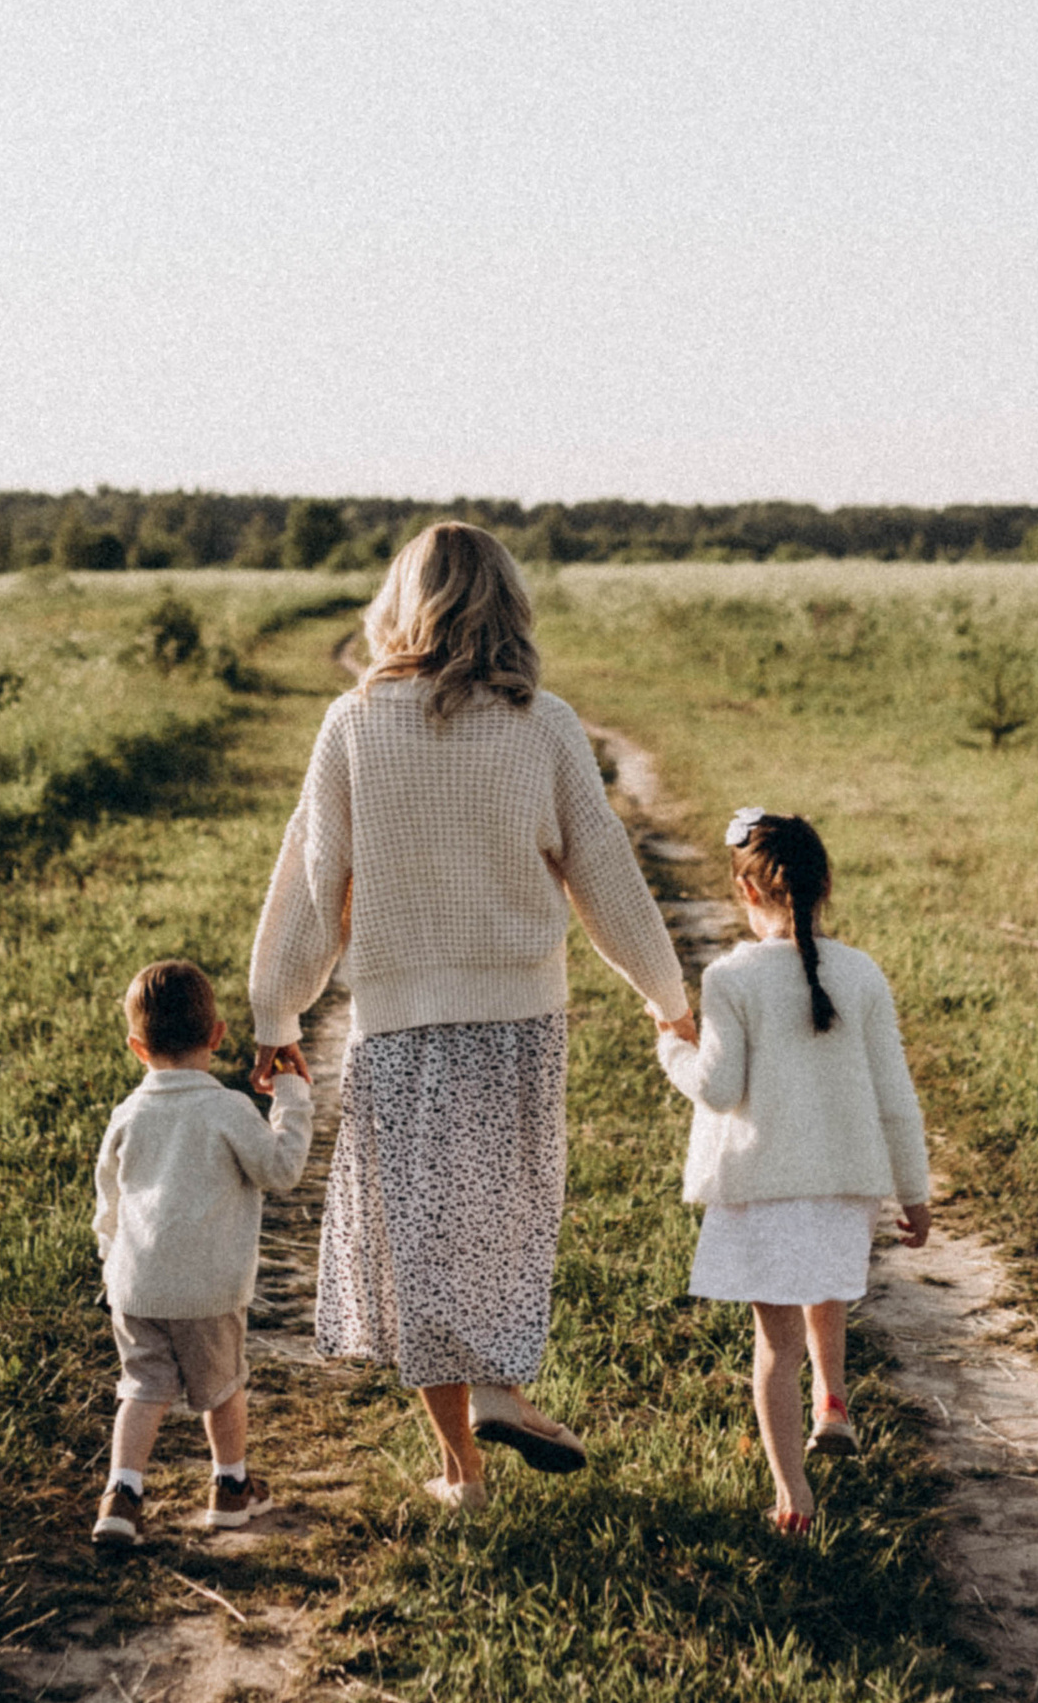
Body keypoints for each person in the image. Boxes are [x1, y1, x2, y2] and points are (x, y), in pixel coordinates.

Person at [249, 521, 694, 1510]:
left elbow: (314, 879)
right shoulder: (543, 725)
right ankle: (497, 1391)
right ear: (508, 608)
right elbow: (605, 872)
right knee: (497, 1227)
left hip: (398, 1025)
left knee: (416, 1245)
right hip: (515, 1024)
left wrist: (277, 1009)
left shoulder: (353, 724)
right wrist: (667, 995)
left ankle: (463, 1468)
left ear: (398, 605)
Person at [657, 808, 932, 1537]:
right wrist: (915, 1193)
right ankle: (832, 1402)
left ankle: (792, 1497)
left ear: (747, 892)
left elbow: (718, 1089)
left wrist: (673, 1046)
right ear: (824, 887)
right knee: (826, 1288)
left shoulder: (731, 977)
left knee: (776, 1347)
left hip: (763, 1187)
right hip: (846, 1188)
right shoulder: (861, 972)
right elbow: (896, 1097)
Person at [91, 957, 313, 1549]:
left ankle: (121, 1496)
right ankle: (230, 1487)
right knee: (221, 1387)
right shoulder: (227, 1110)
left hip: (135, 1286)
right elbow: (281, 1170)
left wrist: (112, 1264)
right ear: (217, 1036)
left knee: (141, 1387)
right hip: (208, 1289)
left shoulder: (127, 1115)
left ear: (137, 1048)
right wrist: (290, 1096)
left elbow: (108, 1204)